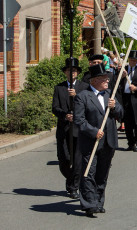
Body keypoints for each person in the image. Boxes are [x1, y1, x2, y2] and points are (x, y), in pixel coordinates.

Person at [74, 63, 123, 217]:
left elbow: (121, 115)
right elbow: (79, 120)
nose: (107, 81)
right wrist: (93, 131)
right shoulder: (82, 96)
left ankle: (99, 202)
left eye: (107, 78)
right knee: (89, 173)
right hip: (91, 141)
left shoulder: (110, 94)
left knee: (102, 174)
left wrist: (115, 107)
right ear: (94, 80)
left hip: (108, 141)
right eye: (104, 78)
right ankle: (89, 204)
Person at [52, 58, 89, 199]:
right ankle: (70, 179)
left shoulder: (84, 87)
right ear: (65, 72)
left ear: (78, 73)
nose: (71, 73)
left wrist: (77, 96)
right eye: (69, 70)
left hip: (78, 129)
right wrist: (65, 115)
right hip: (64, 128)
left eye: (74, 70)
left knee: (78, 159)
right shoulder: (59, 88)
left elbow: (87, 105)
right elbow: (55, 108)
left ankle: (74, 187)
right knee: (64, 159)